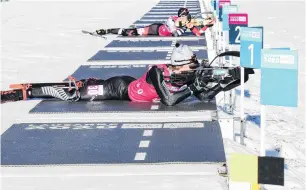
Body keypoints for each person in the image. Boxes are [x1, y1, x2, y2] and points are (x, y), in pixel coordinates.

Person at [1, 44, 254, 106]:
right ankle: (26, 92)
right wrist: (193, 86)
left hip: (128, 87)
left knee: (79, 89)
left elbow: (206, 96)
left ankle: (79, 84)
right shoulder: (158, 72)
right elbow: (169, 100)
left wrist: (231, 81)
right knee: (74, 96)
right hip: (118, 89)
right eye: (192, 65)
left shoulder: (185, 76)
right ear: (178, 64)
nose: (195, 68)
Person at [95, 8, 215, 37]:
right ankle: (108, 31)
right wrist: (184, 27)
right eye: (185, 16)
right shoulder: (172, 19)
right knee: (130, 33)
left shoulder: (188, 22)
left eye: (187, 16)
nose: (187, 18)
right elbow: (174, 32)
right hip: (156, 29)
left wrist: (206, 26)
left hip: (162, 32)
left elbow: (198, 33)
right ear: (180, 16)